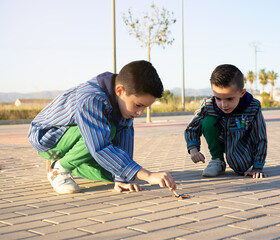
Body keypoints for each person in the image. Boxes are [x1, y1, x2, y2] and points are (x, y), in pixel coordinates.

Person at [28, 60, 176, 194]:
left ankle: (65, 160)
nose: (140, 112)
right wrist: (147, 175)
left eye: (145, 108)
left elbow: (125, 137)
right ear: (120, 91)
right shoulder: (91, 98)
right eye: (138, 105)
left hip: (83, 140)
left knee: (119, 172)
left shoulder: (124, 103)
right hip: (49, 138)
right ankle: (58, 170)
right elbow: (100, 146)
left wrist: (121, 179)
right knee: (107, 131)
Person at [184, 64, 267, 178]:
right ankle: (217, 160)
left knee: (240, 168)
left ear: (241, 93)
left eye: (229, 99)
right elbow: (191, 128)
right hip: (220, 139)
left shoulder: (253, 107)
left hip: (241, 152)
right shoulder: (209, 105)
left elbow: (260, 138)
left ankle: (237, 159)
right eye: (218, 98)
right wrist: (193, 149)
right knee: (207, 121)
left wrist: (257, 167)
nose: (223, 105)